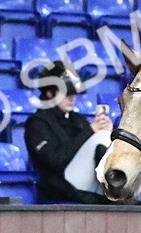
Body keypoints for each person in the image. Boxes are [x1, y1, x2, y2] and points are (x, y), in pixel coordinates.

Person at [24, 63, 115, 204]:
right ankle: (122, 196)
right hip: (61, 185)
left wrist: (109, 132)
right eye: (66, 93)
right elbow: (54, 161)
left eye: (73, 93)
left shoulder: (78, 119)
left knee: (106, 137)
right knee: (101, 138)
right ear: (49, 93)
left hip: (89, 183)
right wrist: (90, 131)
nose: (71, 98)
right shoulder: (37, 123)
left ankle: (122, 194)